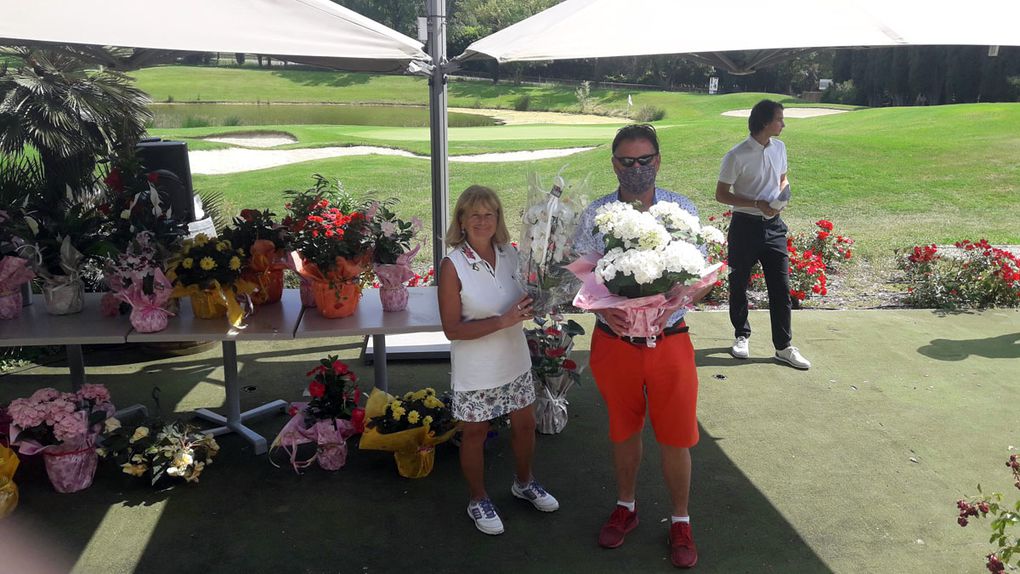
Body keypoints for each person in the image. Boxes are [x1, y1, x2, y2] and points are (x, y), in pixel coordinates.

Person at [573, 124, 700, 569]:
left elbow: (698, 273)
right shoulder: (597, 214)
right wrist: (599, 309)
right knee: (623, 429)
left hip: (669, 339)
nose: (637, 169)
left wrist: (687, 294)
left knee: (676, 434)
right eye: (627, 161)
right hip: (616, 341)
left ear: (658, 161)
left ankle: (680, 520)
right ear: (614, 164)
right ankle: (626, 507)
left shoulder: (681, 209)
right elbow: (583, 274)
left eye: (645, 160)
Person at [438, 185, 559, 536]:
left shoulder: (512, 255)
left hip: (514, 359)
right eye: (474, 214)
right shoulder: (452, 264)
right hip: (476, 367)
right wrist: (503, 321)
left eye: (489, 213)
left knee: (524, 425)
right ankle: (478, 499)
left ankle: (525, 482)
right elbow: (452, 329)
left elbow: (527, 298)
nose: (482, 220)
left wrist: (545, 295)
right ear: (461, 219)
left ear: (498, 219)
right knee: (475, 432)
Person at [715, 99, 811, 370]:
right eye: (780, 119)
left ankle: (783, 347)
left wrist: (783, 194)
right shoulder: (737, 155)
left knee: (781, 287)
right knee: (739, 283)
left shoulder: (780, 147)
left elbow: (783, 177)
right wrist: (757, 203)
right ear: (765, 122)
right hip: (745, 225)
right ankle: (741, 335)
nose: (783, 123)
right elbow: (722, 194)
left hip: (774, 226)